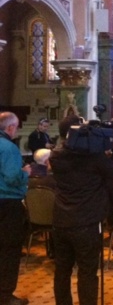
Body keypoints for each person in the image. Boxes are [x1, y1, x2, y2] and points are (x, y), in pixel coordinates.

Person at [50, 115, 113, 305]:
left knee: (62, 270)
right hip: (87, 222)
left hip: (60, 220)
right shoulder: (93, 158)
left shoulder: (55, 155)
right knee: (87, 271)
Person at [0, 112, 31, 305]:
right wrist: (25, 173)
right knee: (9, 251)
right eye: (17, 127)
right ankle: (4, 295)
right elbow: (12, 178)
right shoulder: (8, 148)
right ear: (10, 128)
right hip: (8, 204)